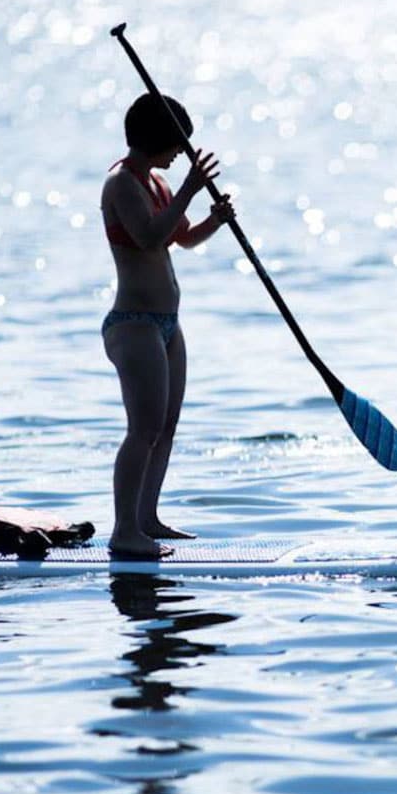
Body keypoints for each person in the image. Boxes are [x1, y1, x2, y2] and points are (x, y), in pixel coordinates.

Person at [101, 93, 235, 558]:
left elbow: (183, 238)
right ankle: (123, 532)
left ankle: (147, 520)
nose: (181, 154)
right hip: (133, 324)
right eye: (176, 144)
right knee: (143, 428)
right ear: (157, 139)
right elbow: (149, 236)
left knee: (167, 426)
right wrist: (190, 191)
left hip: (167, 325)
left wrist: (214, 221)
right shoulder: (120, 184)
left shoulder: (155, 183)